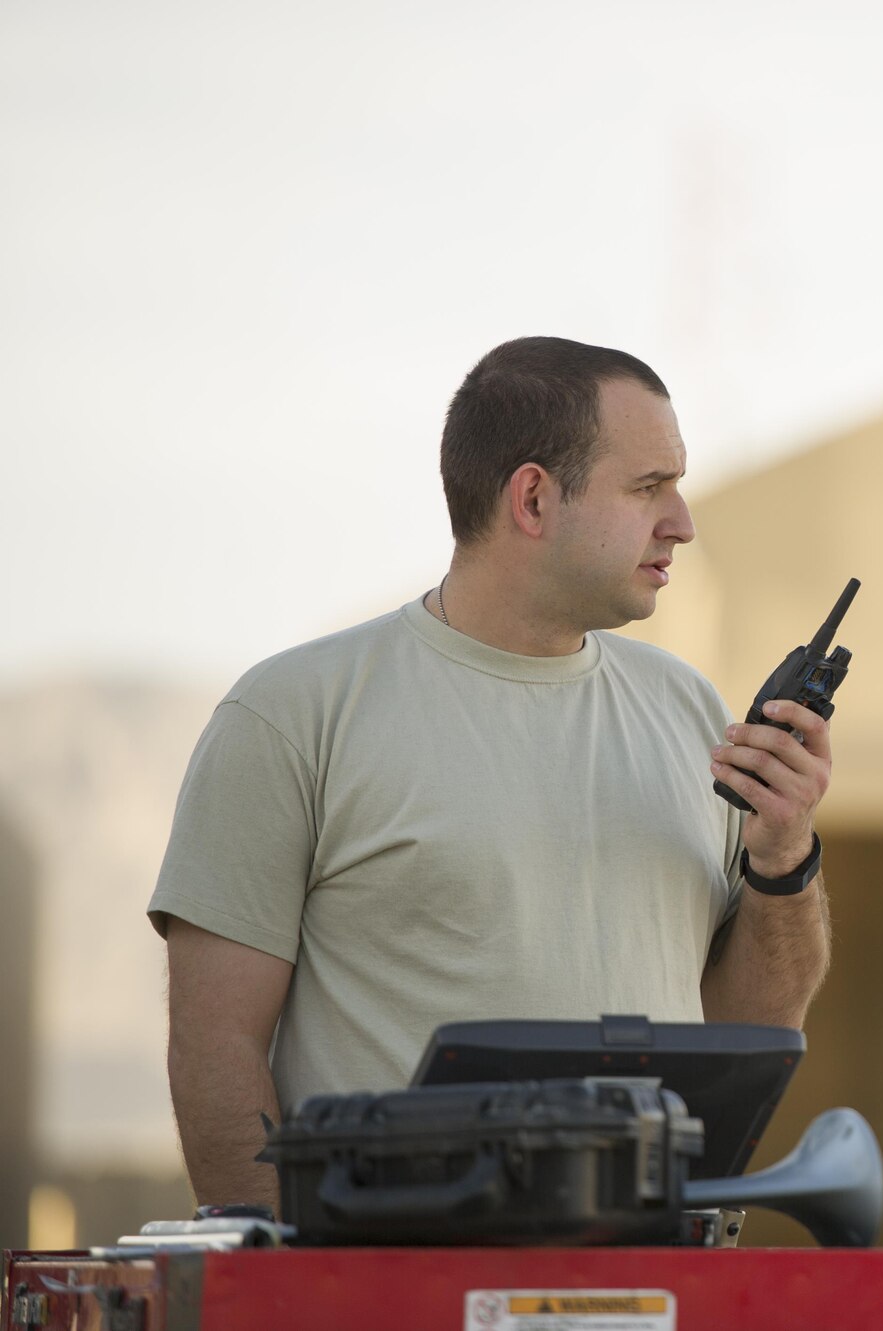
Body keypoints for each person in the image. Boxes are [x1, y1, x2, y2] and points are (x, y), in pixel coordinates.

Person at [147, 337, 833, 1212]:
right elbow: (215, 1045)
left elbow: (749, 1038)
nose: (684, 522)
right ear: (535, 497)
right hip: (392, 1288)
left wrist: (785, 859)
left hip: (646, 1284)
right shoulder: (291, 715)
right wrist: (286, 1283)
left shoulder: (694, 711)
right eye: (648, 486)